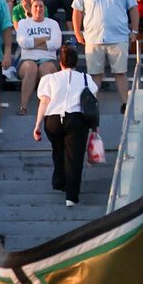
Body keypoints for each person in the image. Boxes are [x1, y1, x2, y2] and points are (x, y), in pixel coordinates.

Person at [34, 43, 95, 203]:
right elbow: (93, 100)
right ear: (76, 62)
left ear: (60, 62)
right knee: (74, 157)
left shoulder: (49, 79)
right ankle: (71, 197)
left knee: (58, 150)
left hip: (53, 119)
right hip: (76, 118)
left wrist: (37, 125)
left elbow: (44, 102)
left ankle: (59, 182)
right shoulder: (85, 78)